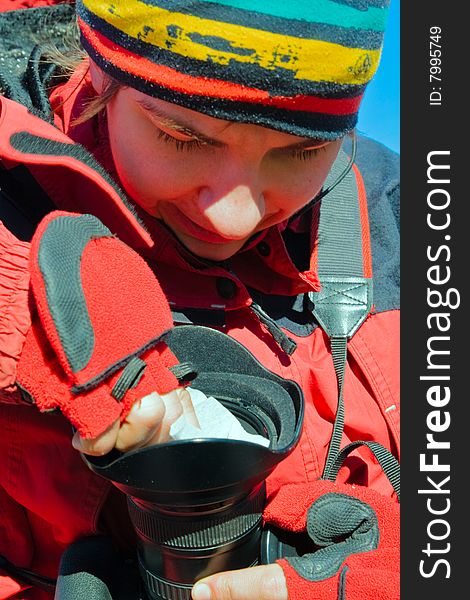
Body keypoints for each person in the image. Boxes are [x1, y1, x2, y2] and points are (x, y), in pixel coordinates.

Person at [0, 1, 400, 599]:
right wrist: (14, 302)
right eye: (181, 134)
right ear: (102, 73)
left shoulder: (408, 211)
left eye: (300, 151)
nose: (233, 215)